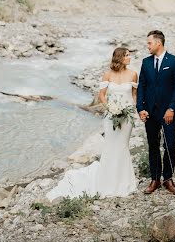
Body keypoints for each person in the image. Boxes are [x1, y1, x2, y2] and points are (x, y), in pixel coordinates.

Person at [46, 47, 137, 200]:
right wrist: (111, 108)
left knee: (122, 146)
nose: (130, 57)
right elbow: (102, 95)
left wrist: (131, 109)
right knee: (111, 146)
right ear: (120, 58)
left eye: (129, 55)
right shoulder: (108, 74)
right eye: (127, 55)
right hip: (111, 115)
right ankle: (107, 182)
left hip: (127, 116)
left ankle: (124, 182)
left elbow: (134, 95)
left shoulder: (133, 74)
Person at [137, 30, 175, 195]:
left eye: (149, 43)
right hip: (149, 112)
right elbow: (141, 86)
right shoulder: (146, 62)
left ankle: (168, 179)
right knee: (153, 145)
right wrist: (140, 108)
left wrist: (171, 108)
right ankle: (155, 179)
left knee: (170, 145)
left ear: (158, 43)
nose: (147, 46)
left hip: (168, 112)